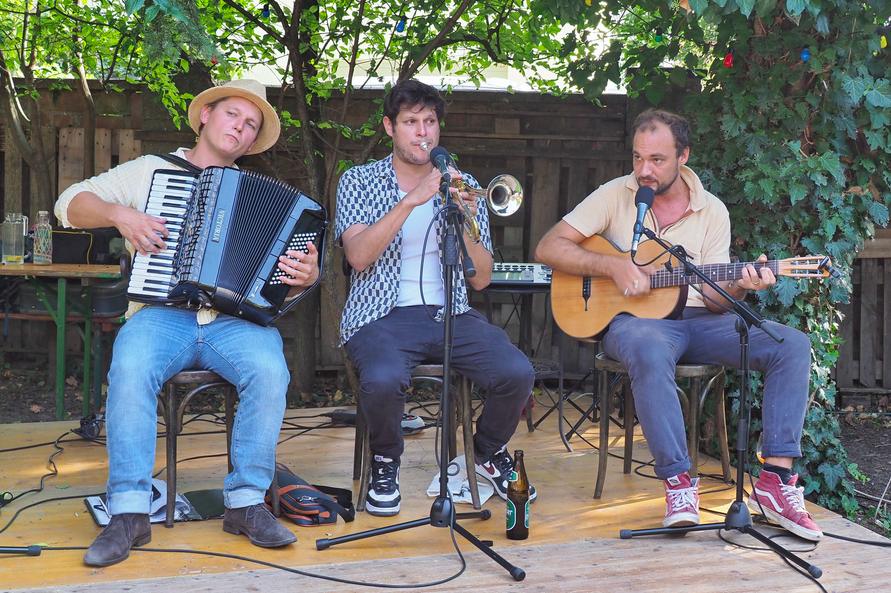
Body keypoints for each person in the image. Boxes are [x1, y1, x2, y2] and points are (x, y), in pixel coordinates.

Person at [55, 79, 320, 566]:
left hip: (232, 322)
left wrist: (306, 274)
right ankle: (130, 513)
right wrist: (120, 216)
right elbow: (69, 203)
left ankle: (244, 505)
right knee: (130, 366)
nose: (239, 128)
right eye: (232, 115)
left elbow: (286, 281)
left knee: (270, 368)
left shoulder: (259, 194)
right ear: (205, 116)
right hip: (159, 316)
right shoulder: (150, 171)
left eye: (251, 125)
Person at [534, 109, 822, 541]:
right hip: (635, 326)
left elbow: (714, 298)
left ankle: (776, 484)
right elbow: (548, 246)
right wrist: (611, 265)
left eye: (657, 160)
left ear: (683, 156)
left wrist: (741, 287)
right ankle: (678, 485)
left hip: (700, 324)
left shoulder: (712, 211)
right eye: (637, 158)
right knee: (649, 347)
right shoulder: (616, 194)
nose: (644, 170)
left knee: (791, 344)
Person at [335, 79, 536, 517]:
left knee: (516, 371)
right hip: (380, 315)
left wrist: (464, 218)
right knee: (384, 378)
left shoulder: (463, 185)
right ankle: (385, 462)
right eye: (410, 122)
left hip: (452, 312)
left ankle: (485, 452)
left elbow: (481, 280)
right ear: (390, 127)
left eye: (429, 121)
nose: (422, 131)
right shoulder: (359, 181)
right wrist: (412, 200)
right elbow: (358, 257)